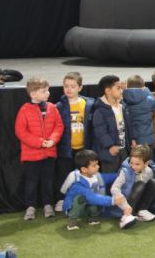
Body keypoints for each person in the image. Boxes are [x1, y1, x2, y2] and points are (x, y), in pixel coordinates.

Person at [14, 77, 64, 220]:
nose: (47, 93)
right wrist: (40, 142)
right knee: (31, 181)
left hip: (49, 153)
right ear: (33, 94)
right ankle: (30, 207)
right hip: (31, 155)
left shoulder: (52, 108)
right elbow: (20, 131)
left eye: (47, 90)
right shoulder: (24, 110)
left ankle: (48, 204)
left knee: (48, 180)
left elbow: (58, 126)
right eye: (43, 91)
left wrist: (52, 140)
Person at [54, 72, 95, 212]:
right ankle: (61, 199)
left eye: (72, 86)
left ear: (80, 87)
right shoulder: (58, 106)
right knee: (64, 175)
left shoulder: (88, 104)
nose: (69, 89)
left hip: (83, 148)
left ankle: (84, 198)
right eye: (66, 86)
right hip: (65, 148)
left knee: (83, 175)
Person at [60, 149, 122, 230]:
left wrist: (120, 175)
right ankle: (72, 220)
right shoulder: (77, 183)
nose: (98, 166)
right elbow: (91, 196)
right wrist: (112, 201)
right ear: (84, 169)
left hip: (88, 205)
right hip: (76, 208)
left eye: (97, 164)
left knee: (95, 199)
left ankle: (93, 218)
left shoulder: (96, 176)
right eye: (94, 165)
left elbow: (108, 177)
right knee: (80, 198)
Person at [111, 144, 155, 229]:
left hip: (138, 201)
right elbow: (114, 188)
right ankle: (127, 216)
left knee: (153, 183)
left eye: (137, 164)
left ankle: (142, 210)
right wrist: (125, 206)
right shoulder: (125, 172)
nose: (133, 166)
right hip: (125, 204)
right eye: (131, 163)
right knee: (140, 184)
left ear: (146, 163)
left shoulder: (149, 171)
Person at [92, 75, 130, 174]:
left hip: (124, 150)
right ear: (108, 91)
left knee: (124, 178)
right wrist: (110, 146)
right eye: (118, 88)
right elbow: (100, 132)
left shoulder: (122, 106)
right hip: (110, 152)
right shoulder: (100, 111)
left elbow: (128, 126)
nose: (121, 91)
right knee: (111, 180)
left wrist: (132, 139)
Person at [122, 75, 155, 148]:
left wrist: (124, 90)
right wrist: (147, 90)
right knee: (149, 158)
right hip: (148, 139)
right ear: (143, 87)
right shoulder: (149, 99)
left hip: (133, 138)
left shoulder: (124, 98)